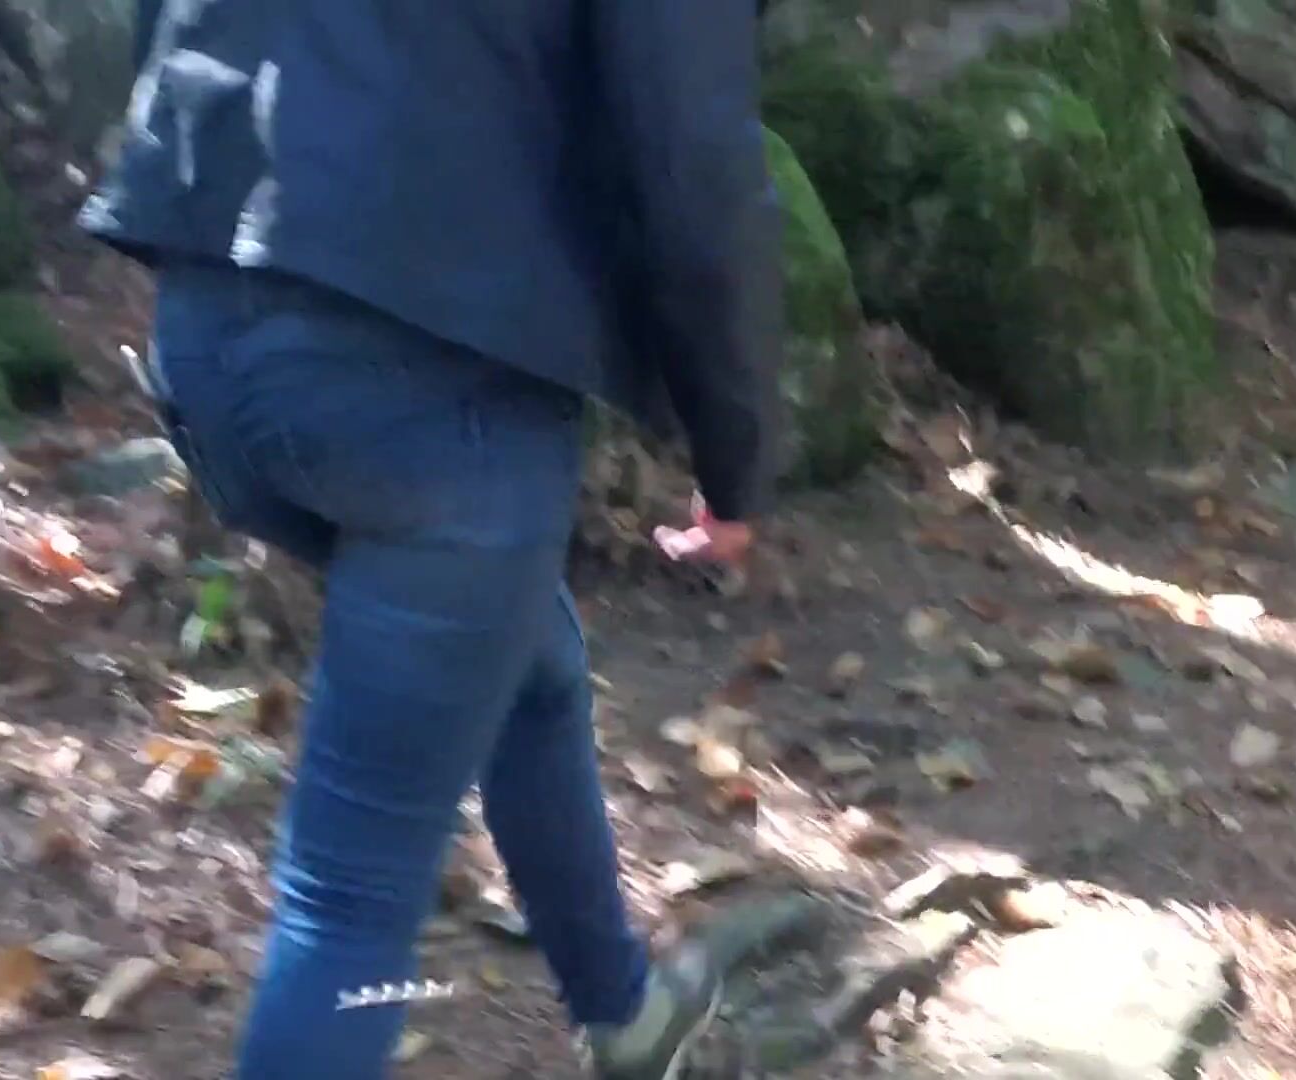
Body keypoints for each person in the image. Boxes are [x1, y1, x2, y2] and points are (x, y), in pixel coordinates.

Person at [82, 1, 782, 1077]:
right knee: (351, 895)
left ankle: (625, 1015)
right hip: (434, 385)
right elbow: (698, 162)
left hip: (210, 336)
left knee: (522, 658)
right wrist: (735, 461)